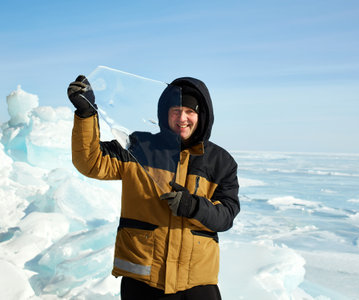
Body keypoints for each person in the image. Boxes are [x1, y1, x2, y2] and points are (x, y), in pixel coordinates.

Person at [68, 75, 240, 299]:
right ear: (165, 114)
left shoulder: (221, 162)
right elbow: (90, 162)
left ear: (201, 116)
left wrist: (194, 207)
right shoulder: (139, 148)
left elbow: (226, 216)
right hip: (143, 282)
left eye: (190, 111)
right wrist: (86, 114)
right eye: (176, 111)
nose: (182, 118)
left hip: (196, 285)